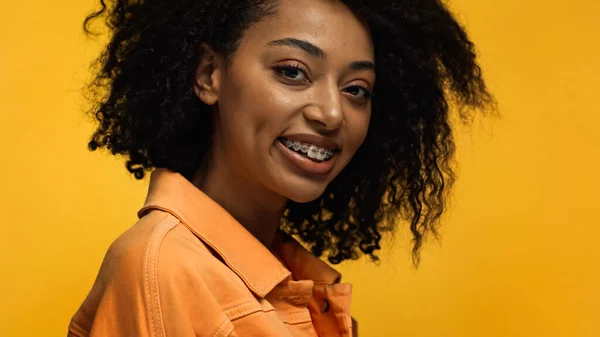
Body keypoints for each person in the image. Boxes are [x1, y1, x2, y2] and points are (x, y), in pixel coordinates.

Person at [67, 0, 493, 336]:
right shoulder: (162, 270)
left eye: (356, 89)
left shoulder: (287, 282)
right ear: (209, 74)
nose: (332, 113)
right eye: (293, 72)